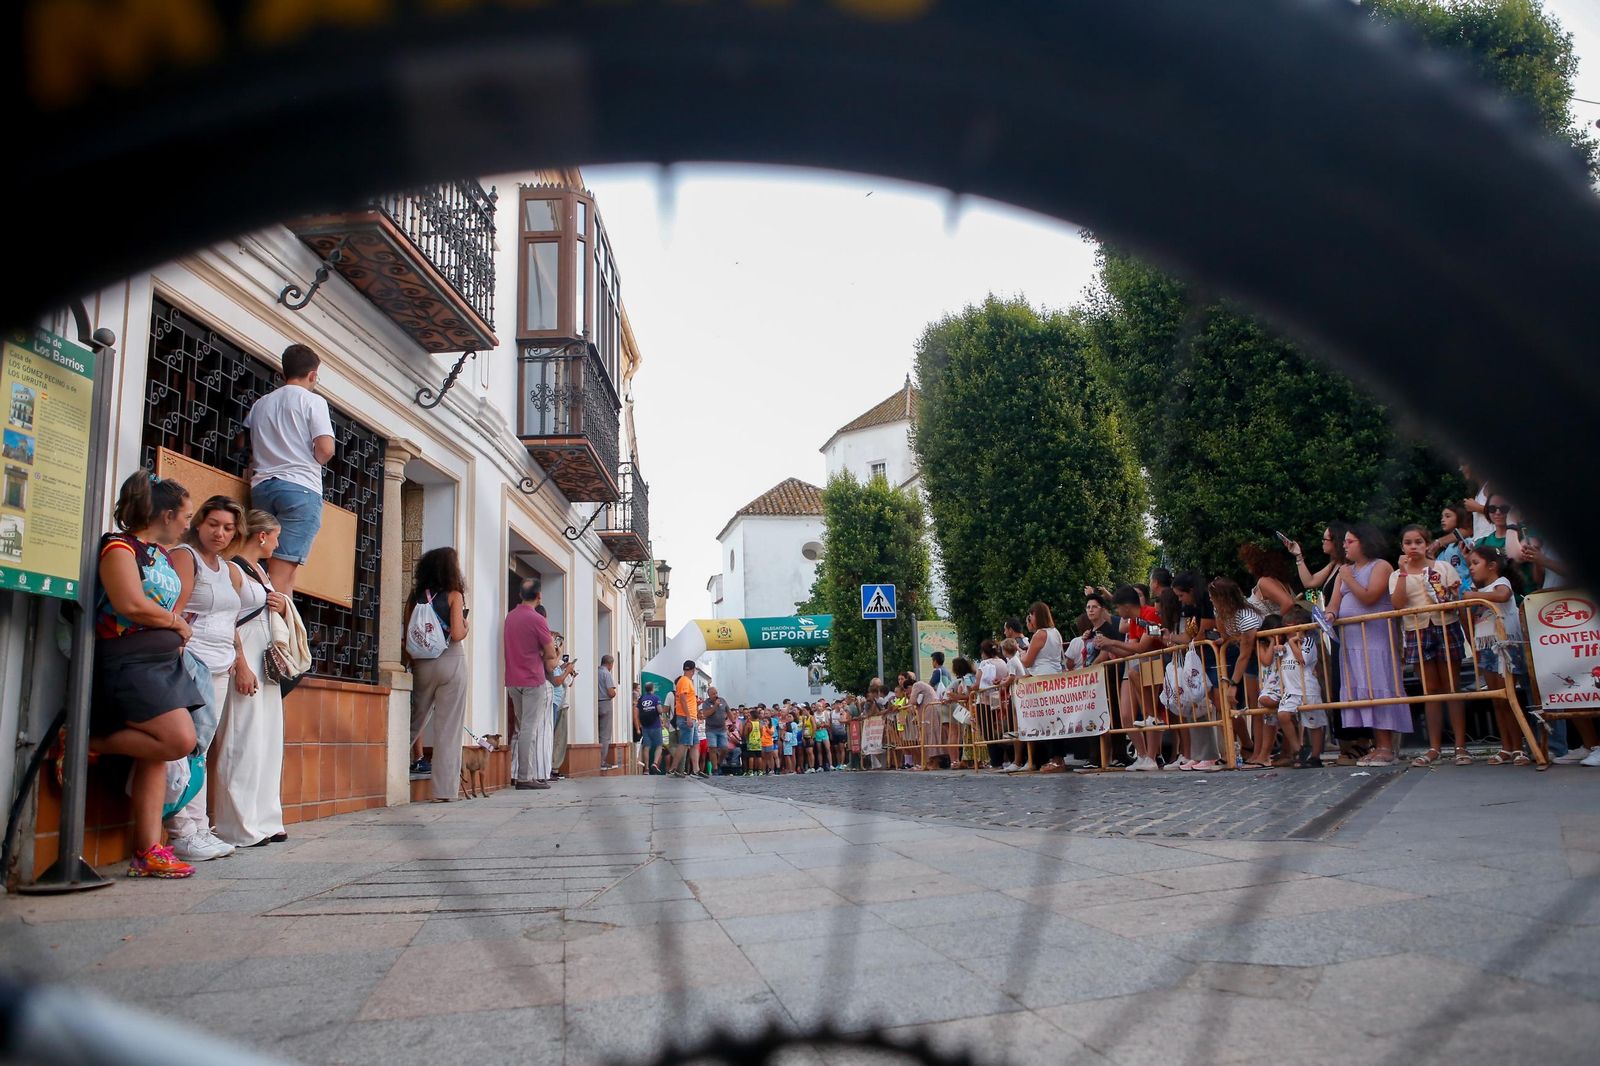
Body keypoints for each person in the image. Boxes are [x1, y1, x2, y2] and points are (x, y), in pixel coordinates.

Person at [91, 472, 203, 879]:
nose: (188, 524)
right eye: (186, 516)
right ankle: (88, 740)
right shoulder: (119, 547)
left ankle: (147, 851)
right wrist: (175, 623)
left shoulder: (161, 556)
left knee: (156, 753)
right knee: (177, 739)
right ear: (167, 514)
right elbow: (130, 604)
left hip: (162, 665)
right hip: (129, 662)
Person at [168, 494, 248, 862]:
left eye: (228, 527)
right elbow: (174, 610)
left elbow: (232, 622)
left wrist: (240, 660)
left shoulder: (228, 569)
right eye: (213, 524)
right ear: (199, 522)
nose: (220, 533)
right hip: (190, 662)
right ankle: (181, 830)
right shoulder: (186, 557)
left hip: (220, 666)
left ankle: (200, 827)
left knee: (200, 750)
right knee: (183, 747)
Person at [214, 509, 291, 846]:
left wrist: (282, 606)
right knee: (241, 737)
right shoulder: (232, 569)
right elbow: (226, 619)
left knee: (268, 738)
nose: (277, 544)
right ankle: (238, 824)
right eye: (275, 537)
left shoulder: (262, 571)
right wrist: (240, 663)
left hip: (266, 658)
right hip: (245, 653)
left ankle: (266, 818)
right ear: (262, 536)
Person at [243, 343, 335, 598]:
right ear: (313, 375)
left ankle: (280, 619)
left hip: (263, 487)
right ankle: (275, 622)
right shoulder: (312, 401)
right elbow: (326, 449)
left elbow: (250, 446)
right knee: (282, 572)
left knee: (265, 561)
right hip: (300, 488)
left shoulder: (260, 404)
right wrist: (314, 458)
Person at [1390, 525, 1470, 768]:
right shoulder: (1397, 574)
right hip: (1417, 630)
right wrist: (1403, 573)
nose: (1413, 547)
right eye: (1408, 543)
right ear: (1402, 547)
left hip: (1446, 625)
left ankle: (1460, 746)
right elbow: (1397, 604)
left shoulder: (1443, 567)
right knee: (1430, 690)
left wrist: (1451, 594)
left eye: (1418, 542)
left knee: (1452, 686)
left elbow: (1455, 597)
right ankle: (1434, 747)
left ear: (1426, 544)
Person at [1328, 524, 1405, 767]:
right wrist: (1329, 614)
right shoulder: (1345, 571)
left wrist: (1348, 578)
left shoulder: (1380, 566)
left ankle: (1386, 746)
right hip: (1351, 640)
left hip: (1375, 637)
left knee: (1378, 685)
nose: (1344, 545)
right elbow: (1334, 603)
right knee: (1362, 689)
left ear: (1364, 542)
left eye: (1349, 541)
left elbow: (1370, 597)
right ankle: (1376, 744)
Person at [406, 547, 471, 800]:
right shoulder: (455, 595)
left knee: (413, 721)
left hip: (422, 663)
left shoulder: (415, 597)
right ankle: (444, 792)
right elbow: (457, 634)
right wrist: (466, 625)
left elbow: (408, 632)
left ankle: (386, 773)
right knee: (448, 728)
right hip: (451, 660)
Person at [1468, 545, 1531, 766]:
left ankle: (1519, 746)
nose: (1471, 568)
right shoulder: (1476, 588)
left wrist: (1475, 595)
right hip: (1486, 646)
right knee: (1497, 700)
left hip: (1504, 646)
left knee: (1509, 697)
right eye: (1469, 564)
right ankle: (1506, 746)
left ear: (1492, 566)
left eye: (1475, 563)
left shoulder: (1501, 582)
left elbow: (1503, 596)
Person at [505, 578, 555, 790]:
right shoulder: (537, 619)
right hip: (533, 679)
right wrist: (544, 652)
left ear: (520, 595)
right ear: (539, 596)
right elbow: (550, 652)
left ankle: (522, 773)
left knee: (522, 727)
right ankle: (525, 777)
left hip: (512, 680)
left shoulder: (509, 617)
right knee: (529, 729)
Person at [1019, 601, 1068, 773]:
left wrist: (1022, 653)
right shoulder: (1055, 633)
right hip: (1054, 677)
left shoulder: (1040, 634)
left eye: (1031, 615)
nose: (1030, 618)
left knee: (1046, 720)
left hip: (1041, 679)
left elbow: (1027, 661)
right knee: (1055, 719)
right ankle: (1056, 758)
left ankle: (1055, 759)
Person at [1280, 604, 1327, 767]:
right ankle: (1298, 750)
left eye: (1291, 629)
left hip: (1307, 688)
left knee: (1314, 723)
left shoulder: (1308, 642)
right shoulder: (1286, 645)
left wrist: (1292, 643)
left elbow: (1303, 659)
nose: (1287, 633)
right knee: (1283, 715)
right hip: (1291, 690)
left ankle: (1315, 756)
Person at [669, 660, 700, 777]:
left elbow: (685, 699)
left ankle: (696, 770)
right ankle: (673, 769)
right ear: (693, 670)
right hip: (687, 717)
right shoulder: (685, 681)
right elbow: (682, 698)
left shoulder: (685, 681)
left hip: (691, 716)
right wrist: (688, 716)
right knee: (684, 743)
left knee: (694, 744)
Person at [596, 654, 619, 770]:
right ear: (610, 664)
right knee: (605, 735)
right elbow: (610, 692)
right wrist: (614, 693)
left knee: (596, 733)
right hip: (605, 703)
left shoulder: (595, 671)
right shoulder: (607, 674)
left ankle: (595, 759)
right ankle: (602, 761)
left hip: (595, 703)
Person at [637, 682, 665, 774]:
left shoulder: (641, 699)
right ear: (652, 689)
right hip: (656, 725)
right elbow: (659, 710)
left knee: (646, 747)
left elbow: (637, 711)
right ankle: (655, 763)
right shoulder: (656, 698)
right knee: (659, 745)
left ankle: (646, 769)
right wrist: (662, 713)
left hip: (645, 726)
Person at [702, 685, 730, 775]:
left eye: (716, 693)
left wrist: (733, 722)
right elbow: (706, 714)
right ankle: (715, 769)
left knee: (725, 748)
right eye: (713, 694)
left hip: (722, 729)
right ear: (709, 695)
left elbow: (728, 711)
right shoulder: (706, 703)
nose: (716, 695)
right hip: (711, 729)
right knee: (712, 748)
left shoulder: (722, 700)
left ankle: (719, 763)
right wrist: (715, 706)